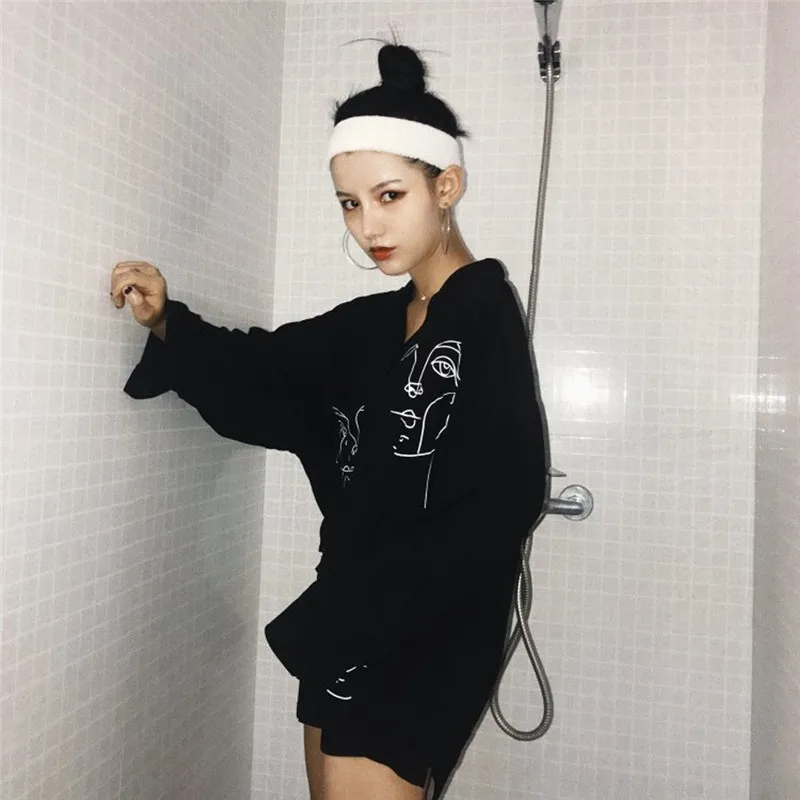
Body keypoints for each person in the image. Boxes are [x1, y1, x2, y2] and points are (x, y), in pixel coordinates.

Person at [111, 42, 547, 800]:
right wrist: (166, 322)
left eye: (389, 195)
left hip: (426, 630)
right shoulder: (374, 323)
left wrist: (389, 600)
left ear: (445, 187)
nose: (367, 225)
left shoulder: (483, 317)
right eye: (349, 203)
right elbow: (268, 367)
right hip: (347, 611)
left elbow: (510, 495)